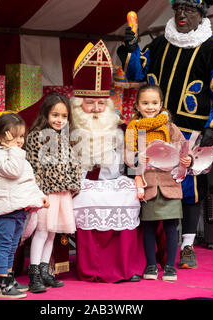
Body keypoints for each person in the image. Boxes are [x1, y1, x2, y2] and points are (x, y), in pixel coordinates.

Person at [118, 0, 213, 269]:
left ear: (202, 14)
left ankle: (187, 245)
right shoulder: (159, 44)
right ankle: (153, 249)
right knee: (151, 184)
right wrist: (131, 48)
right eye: (178, 9)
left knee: (189, 188)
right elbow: (135, 73)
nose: (182, 15)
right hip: (153, 128)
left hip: (191, 131)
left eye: (189, 10)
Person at [70, 40, 145, 283]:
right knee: (88, 198)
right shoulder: (67, 127)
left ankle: (127, 267)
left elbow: (132, 158)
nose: (95, 108)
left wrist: (139, 171)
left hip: (115, 181)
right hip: (81, 184)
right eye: (89, 103)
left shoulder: (120, 128)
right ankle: (94, 269)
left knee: (129, 197)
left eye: (101, 103)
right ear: (78, 105)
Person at [0, 113, 49, 299]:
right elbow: (13, 171)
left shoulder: (16, 155)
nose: (19, 141)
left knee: (13, 246)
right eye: (14, 136)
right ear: (1, 137)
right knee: (6, 245)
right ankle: (4, 285)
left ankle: (9, 277)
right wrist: (13, 149)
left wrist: (40, 196)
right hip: (7, 209)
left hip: (19, 208)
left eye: (21, 137)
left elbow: (27, 181)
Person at [125, 84, 192, 281]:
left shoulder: (170, 127)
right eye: (145, 103)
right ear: (137, 105)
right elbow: (127, 156)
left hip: (169, 183)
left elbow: (184, 149)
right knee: (149, 227)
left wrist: (189, 160)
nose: (150, 107)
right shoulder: (133, 128)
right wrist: (137, 158)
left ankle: (170, 266)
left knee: (171, 225)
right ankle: (151, 265)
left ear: (161, 104)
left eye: (154, 103)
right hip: (147, 185)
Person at [25, 93, 82, 293]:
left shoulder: (68, 139)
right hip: (45, 194)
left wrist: (74, 185)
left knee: (52, 234)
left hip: (63, 193)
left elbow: (76, 165)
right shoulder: (36, 136)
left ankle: (45, 271)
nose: (59, 120)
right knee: (41, 232)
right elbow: (33, 167)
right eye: (55, 115)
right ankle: (34, 275)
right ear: (46, 114)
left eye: (64, 116)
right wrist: (38, 193)